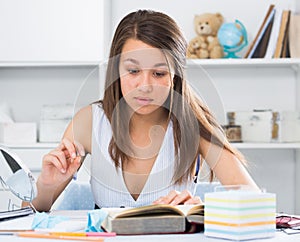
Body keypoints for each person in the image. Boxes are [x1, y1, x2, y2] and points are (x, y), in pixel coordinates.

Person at [24, 9, 258, 212]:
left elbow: (254, 201)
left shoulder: (194, 123)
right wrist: (46, 186)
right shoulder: (89, 122)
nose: (145, 86)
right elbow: (29, 214)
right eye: (133, 71)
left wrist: (202, 210)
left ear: (176, 76)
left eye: (159, 73)